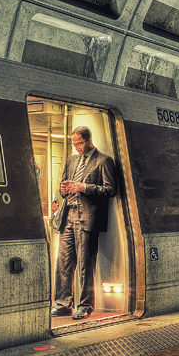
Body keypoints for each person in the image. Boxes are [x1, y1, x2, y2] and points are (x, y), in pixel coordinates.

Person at [51, 126, 117, 320]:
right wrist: (64, 189)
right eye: (74, 144)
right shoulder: (71, 161)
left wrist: (84, 187)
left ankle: (85, 305)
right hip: (68, 216)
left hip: (88, 218)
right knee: (63, 262)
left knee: (85, 264)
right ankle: (63, 303)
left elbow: (110, 190)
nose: (77, 147)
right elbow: (63, 187)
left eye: (80, 143)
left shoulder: (104, 161)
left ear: (89, 140)